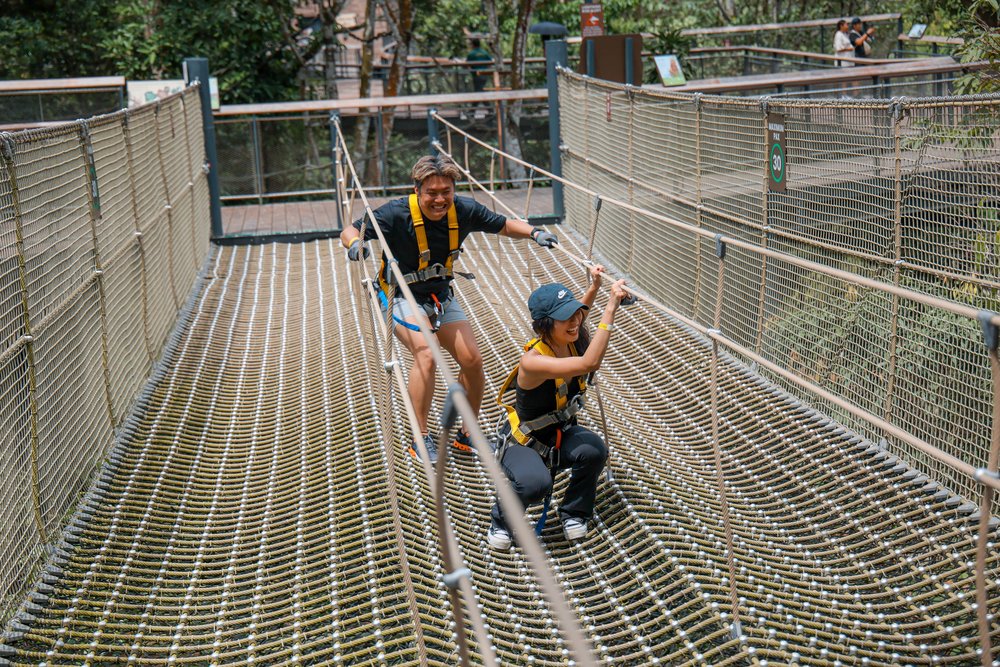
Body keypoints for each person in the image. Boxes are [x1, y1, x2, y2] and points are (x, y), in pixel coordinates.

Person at [340, 155, 558, 464]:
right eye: (432, 192)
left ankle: (467, 435)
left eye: (447, 191)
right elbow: (350, 230)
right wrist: (354, 245)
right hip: (400, 297)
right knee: (426, 355)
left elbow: (503, 225)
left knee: (473, 360)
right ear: (417, 190)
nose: (440, 199)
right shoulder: (394, 214)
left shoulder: (464, 210)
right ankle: (421, 436)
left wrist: (535, 233)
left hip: (440, 295)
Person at [488, 269, 631, 550]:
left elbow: (580, 317)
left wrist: (594, 286)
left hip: (559, 436)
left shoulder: (572, 338)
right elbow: (589, 364)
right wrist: (612, 306)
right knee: (534, 484)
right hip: (524, 443)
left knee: (594, 450)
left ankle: (573, 513)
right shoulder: (533, 362)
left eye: (576, 314)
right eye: (566, 318)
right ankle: (502, 522)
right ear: (544, 325)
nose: (575, 322)